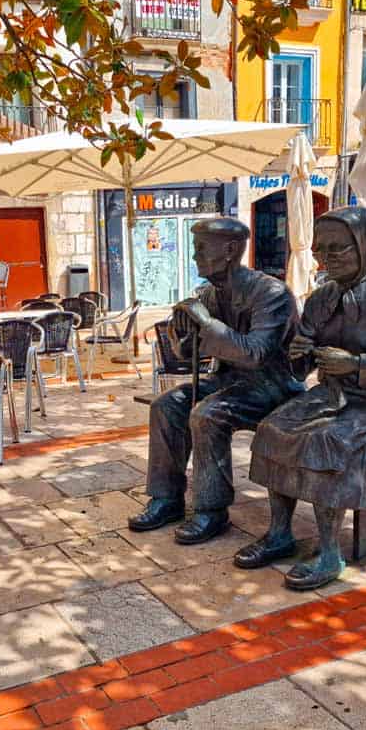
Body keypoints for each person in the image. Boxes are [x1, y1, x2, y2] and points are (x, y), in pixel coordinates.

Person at [237, 207, 366, 590]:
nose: (327, 258)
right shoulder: (322, 298)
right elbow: (300, 367)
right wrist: (299, 354)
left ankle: (329, 551)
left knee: (326, 439)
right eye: (320, 250)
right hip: (331, 395)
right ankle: (279, 533)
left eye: (337, 248)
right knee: (273, 428)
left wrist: (356, 364)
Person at [127, 217, 303, 544]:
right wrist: (181, 334)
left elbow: (255, 354)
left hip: (272, 388)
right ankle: (166, 497)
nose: (195, 256)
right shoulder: (210, 294)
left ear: (230, 250)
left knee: (208, 414)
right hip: (229, 383)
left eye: (201, 248)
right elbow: (189, 354)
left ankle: (212, 510)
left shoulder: (271, 294)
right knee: (166, 405)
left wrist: (206, 323)